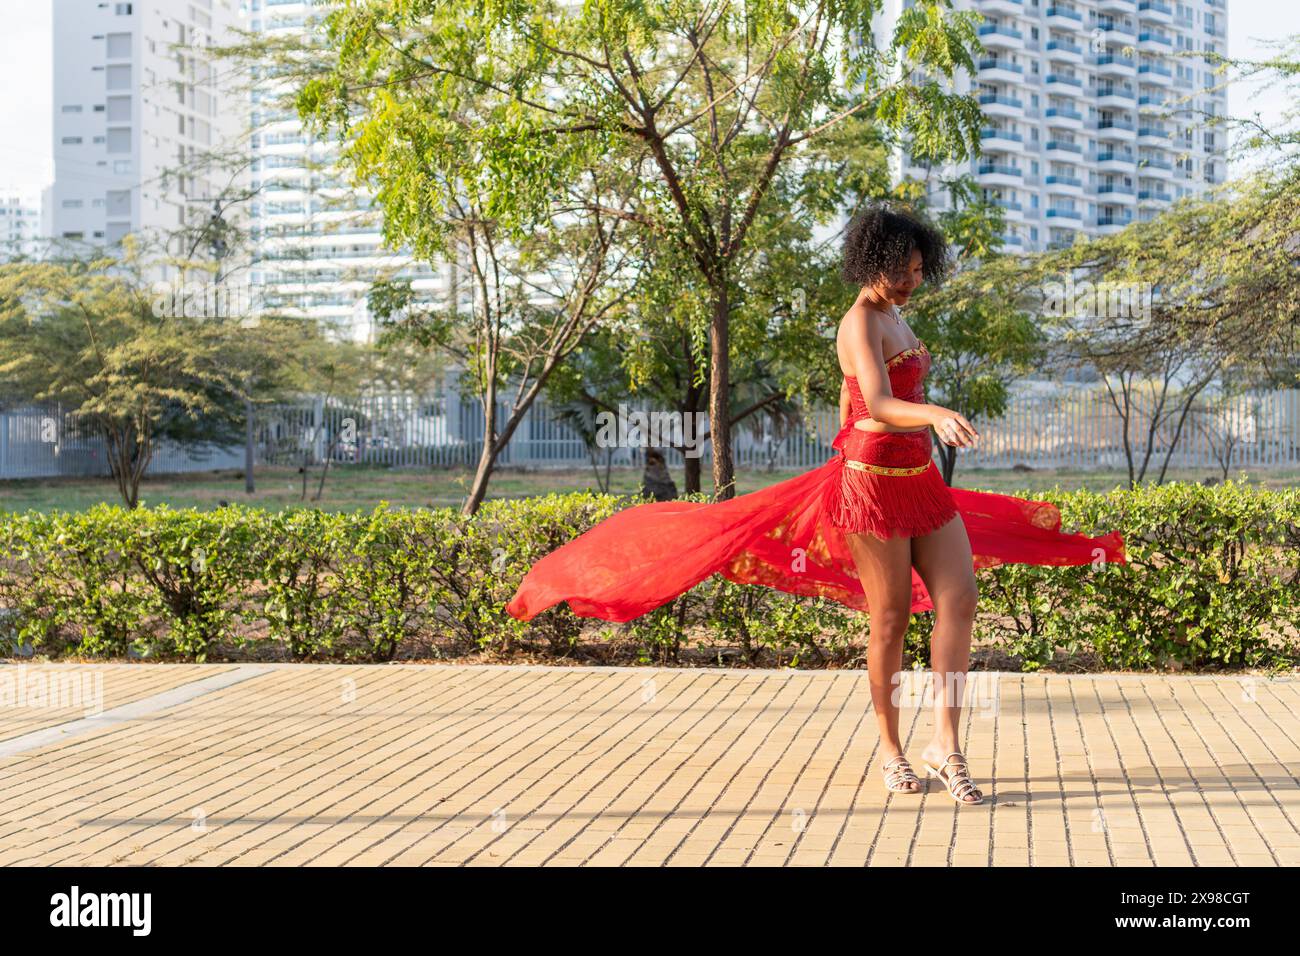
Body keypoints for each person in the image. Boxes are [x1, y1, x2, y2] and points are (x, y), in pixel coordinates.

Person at [506, 202, 1127, 806]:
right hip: (872, 486)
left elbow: (848, 402)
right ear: (870, 263)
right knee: (889, 619)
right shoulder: (859, 321)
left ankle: (946, 745)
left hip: (919, 480)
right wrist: (932, 415)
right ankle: (891, 749)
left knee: (959, 598)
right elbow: (879, 404)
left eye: (918, 269)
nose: (913, 280)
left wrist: (904, 429)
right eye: (902, 270)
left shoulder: (899, 318)